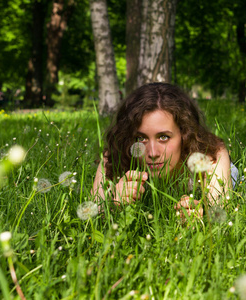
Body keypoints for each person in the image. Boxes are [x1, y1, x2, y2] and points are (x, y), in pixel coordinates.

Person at [91, 82, 235, 218]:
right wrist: (116, 208)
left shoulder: (211, 156)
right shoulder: (115, 156)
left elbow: (222, 218)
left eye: (164, 137)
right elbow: (93, 217)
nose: (153, 153)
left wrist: (200, 219)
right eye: (140, 139)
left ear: (185, 134)